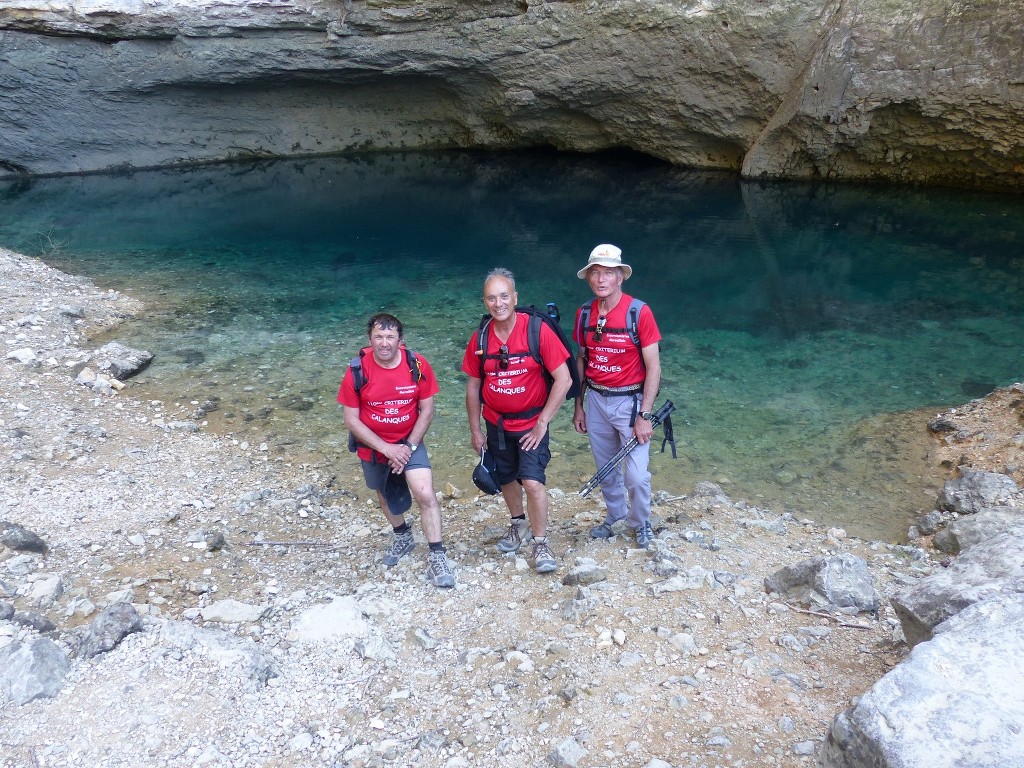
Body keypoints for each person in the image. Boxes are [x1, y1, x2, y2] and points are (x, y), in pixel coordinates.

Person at [462, 268, 572, 573]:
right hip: (495, 425)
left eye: (504, 296)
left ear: (515, 297)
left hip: (531, 425)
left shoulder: (537, 330)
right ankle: (517, 524)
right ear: (485, 302)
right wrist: (474, 430)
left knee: (533, 482)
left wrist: (543, 423)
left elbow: (562, 380)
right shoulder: (481, 338)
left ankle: (540, 542)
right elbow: (473, 385)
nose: (499, 303)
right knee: (507, 477)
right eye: (492, 298)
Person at [338, 313, 456, 588]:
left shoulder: (417, 364)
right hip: (374, 445)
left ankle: (437, 555)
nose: (384, 343)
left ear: (400, 341)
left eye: (390, 337)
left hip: (409, 441)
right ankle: (402, 535)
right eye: (378, 337)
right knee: (385, 495)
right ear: (370, 339)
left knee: (425, 493)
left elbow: (427, 410)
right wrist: (387, 449)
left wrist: (408, 447)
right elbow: (351, 419)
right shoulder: (358, 370)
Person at [572, 244, 662, 548]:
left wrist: (645, 415)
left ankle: (640, 521)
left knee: (636, 475)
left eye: (608, 273)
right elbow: (582, 361)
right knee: (606, 467)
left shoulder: (639, 313)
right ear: (589, 278)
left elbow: (654, 368)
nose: (601, 279)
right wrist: (579, 406)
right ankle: (615, 515)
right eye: (595, 272)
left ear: (620, 277)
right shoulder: (584, 314)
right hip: (596, 400)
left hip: (630, 402)